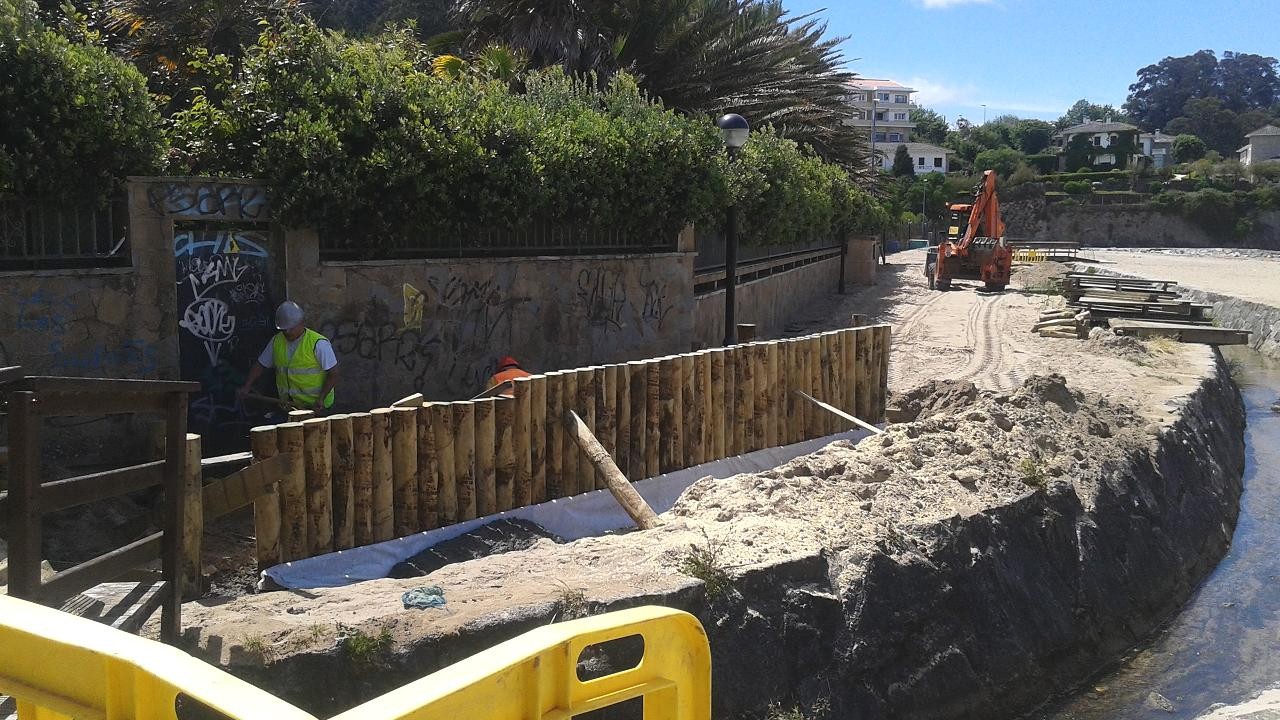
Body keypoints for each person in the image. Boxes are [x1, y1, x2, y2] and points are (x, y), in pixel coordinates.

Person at [237, 301, 339, 411]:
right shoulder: (276, 341)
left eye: (291, 328)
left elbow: (334, 374)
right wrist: (247, 386)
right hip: (289, 406)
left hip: (315, 406)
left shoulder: (318, 344)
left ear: (302, 323)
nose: (287, 332)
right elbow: (260, 365)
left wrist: (321, 399)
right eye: (284, 329)